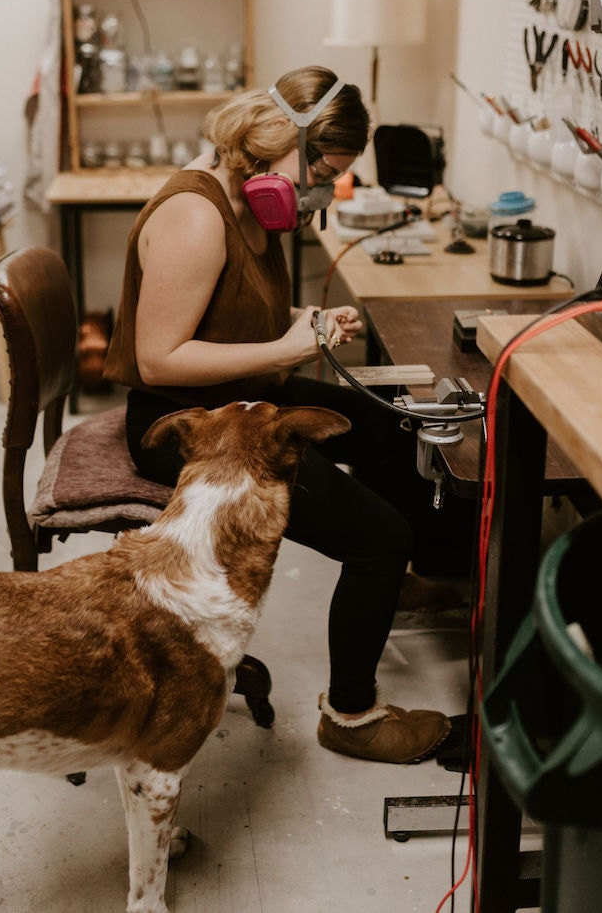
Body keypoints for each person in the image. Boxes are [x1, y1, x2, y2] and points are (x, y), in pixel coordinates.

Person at [104, 64, 452, 764]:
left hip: (241, 394)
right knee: (377, 535)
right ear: (277, 139)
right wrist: (284, 346)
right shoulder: (195, 215)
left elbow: (234, 312)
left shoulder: (253, 208)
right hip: (186, 424)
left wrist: (306, 322)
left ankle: (400, 581)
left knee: (391, 424)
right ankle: (352, 714)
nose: (325, 187)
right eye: (322, 168)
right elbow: (158, 359)